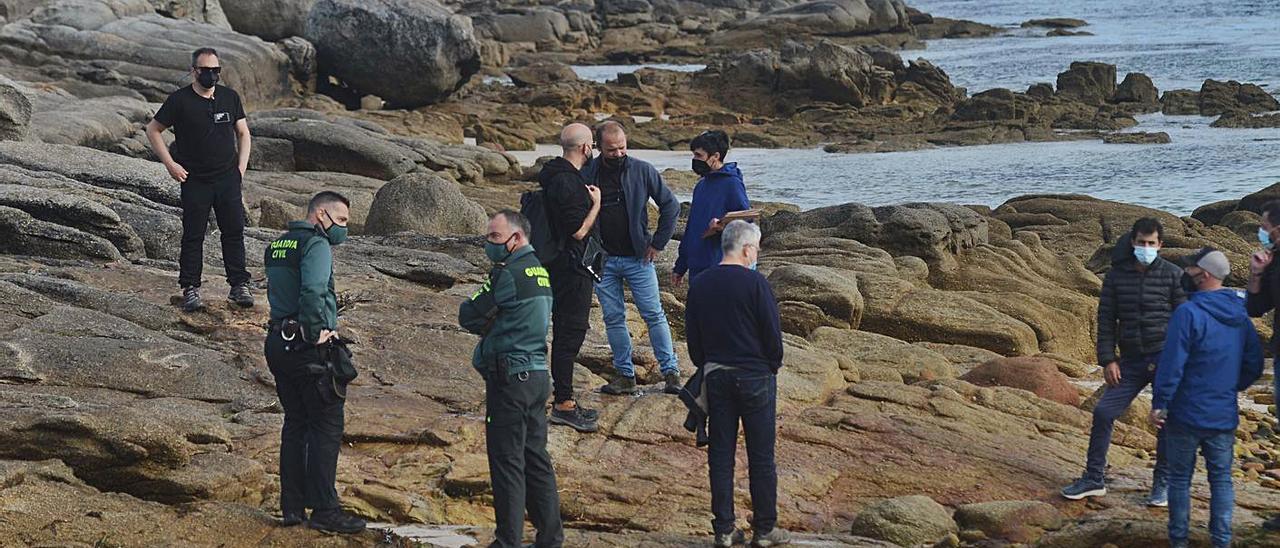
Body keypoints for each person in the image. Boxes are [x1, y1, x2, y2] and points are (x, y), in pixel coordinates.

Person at [1061, 218, 1185, 505]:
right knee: (1104, 412)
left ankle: (1162, 484)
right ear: (1132, 242)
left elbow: (1186, 321)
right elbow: (1105, 321)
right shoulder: (1116, 277)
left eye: (1151, 243)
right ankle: (1093, 478)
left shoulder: (1174, 275)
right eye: (1141, 243)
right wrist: (1108, 360)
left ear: (1160, 245)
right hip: (1129, 361)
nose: (1146, 247)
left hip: (1166, 359)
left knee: (1165, 419)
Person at [459, 211, 564, 548]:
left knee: (507, 461)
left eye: (494, 237)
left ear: (515, 238)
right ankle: (550, 538)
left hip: (511, 378)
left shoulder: (508, 273)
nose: (489, 244)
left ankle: (508, 541)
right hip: (536, 375)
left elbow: (469, 314)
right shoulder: (541, 272)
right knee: (536, 457)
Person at [262, 191, 365, 534]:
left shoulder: (277, 244)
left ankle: (292, 507)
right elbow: (313, 290)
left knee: (295, 424)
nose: (344, 229)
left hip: (277, 341)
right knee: (325, 426)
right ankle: (325, 509)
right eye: (342, 221)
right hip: (307, 347)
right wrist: (313, 330)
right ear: (321, 215)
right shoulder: (316, 245)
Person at [685, 220, 791, 548]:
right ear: (747, 249)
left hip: (717, 376)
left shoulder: (700, 284)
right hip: (756, 375)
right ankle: (764, 529)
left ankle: (724, 530)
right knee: (761, 456)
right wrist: (771, 364)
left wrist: (708, 364)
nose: (755, 255)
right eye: (756, 249)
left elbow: (693, 342)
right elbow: (772, 336)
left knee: (721, 454)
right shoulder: (756, 283)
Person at [1150, 247, 1262, 548]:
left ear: (1205, 275)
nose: (1186, 273)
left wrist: (1160, 404)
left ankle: (1179, 542)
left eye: (1191, 269)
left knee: (1179, 480)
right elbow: (1254, 363)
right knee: (1221, 480)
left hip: (1185, 413)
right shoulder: (1240, 312)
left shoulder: (1187, 312)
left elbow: (1172, 365)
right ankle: (1221, 542)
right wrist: (1230, 387)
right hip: (1222, 413)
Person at [146, 47, 254, 312]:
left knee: (234, 232)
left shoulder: (229, 97)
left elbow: (243, 133)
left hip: (228, 177)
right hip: (195, 180)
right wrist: (171, 165)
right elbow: (153, 130)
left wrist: (241, 167)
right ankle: (190, 288)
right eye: (206, 70)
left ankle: (239, 285)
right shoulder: (179, 100)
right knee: (193, 235)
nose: (212, 75)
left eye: (216, 70)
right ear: (194, 71)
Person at [581, 121, 683, 396]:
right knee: (613, 318)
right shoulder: (588, 171)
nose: (618, 153)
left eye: (622, 148)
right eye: (611, 149)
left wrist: (658, 243)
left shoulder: (642, 170)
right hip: (602, 258)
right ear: (598, 147)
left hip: (639, 259)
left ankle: (671, 373)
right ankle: (625, 376)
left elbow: (671, 206)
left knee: (653, 314)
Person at [537, 123, 601, 433]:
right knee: (569, 334)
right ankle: (563, 404)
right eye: (593, 146)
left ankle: (565, 399)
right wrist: (597, 205)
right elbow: (577, 230)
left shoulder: (553, 175)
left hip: (557, 264)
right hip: (570, 268)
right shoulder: (567, 182)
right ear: (585, 148)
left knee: (565, 332)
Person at [673, 130, 749, 286]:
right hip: (696, 267)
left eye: (699, 155)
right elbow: (691, 228)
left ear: (715, 156)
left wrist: (721, 226)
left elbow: (746, 221)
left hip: (719, 265)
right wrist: (680, 266)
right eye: (694, 155)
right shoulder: (701, 185)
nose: (695, 159)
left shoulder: (732, 184)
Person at [1247, 200, 1280, 531]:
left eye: (1264, 227)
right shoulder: (1272, 263)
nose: (1261, 233)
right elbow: (1255, 309)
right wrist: (1256, 274)